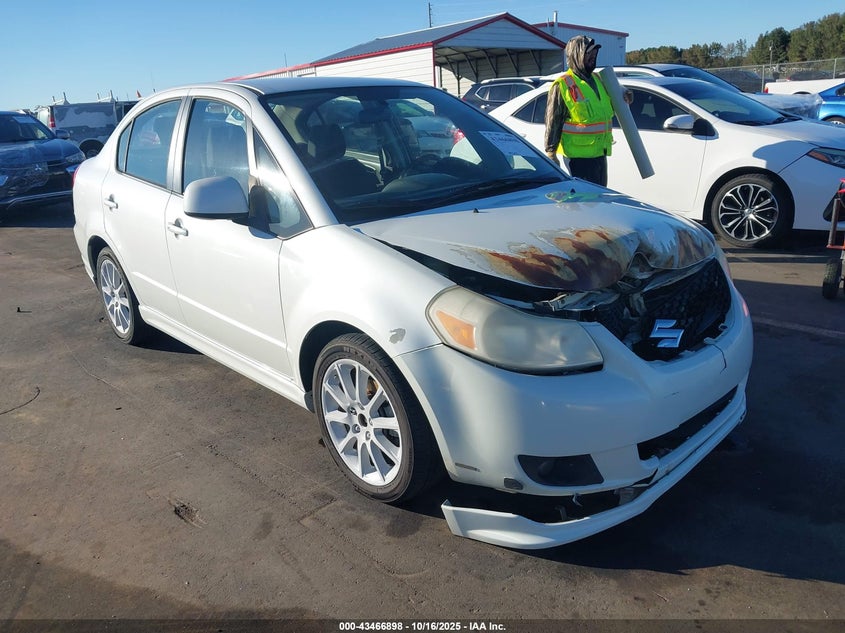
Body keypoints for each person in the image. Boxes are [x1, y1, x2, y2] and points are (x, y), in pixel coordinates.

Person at [544, 35, 631, 187]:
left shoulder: (598, 80)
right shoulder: (563, 85)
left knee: (598, 200)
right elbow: (553, 120)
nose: (593, 57)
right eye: (588, 54)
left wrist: (625, 94)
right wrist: (551, 153)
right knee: (584, 203)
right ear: (577, 56)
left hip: (599, 154)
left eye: (594, 54)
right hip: (577, 158)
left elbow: (611, 101)